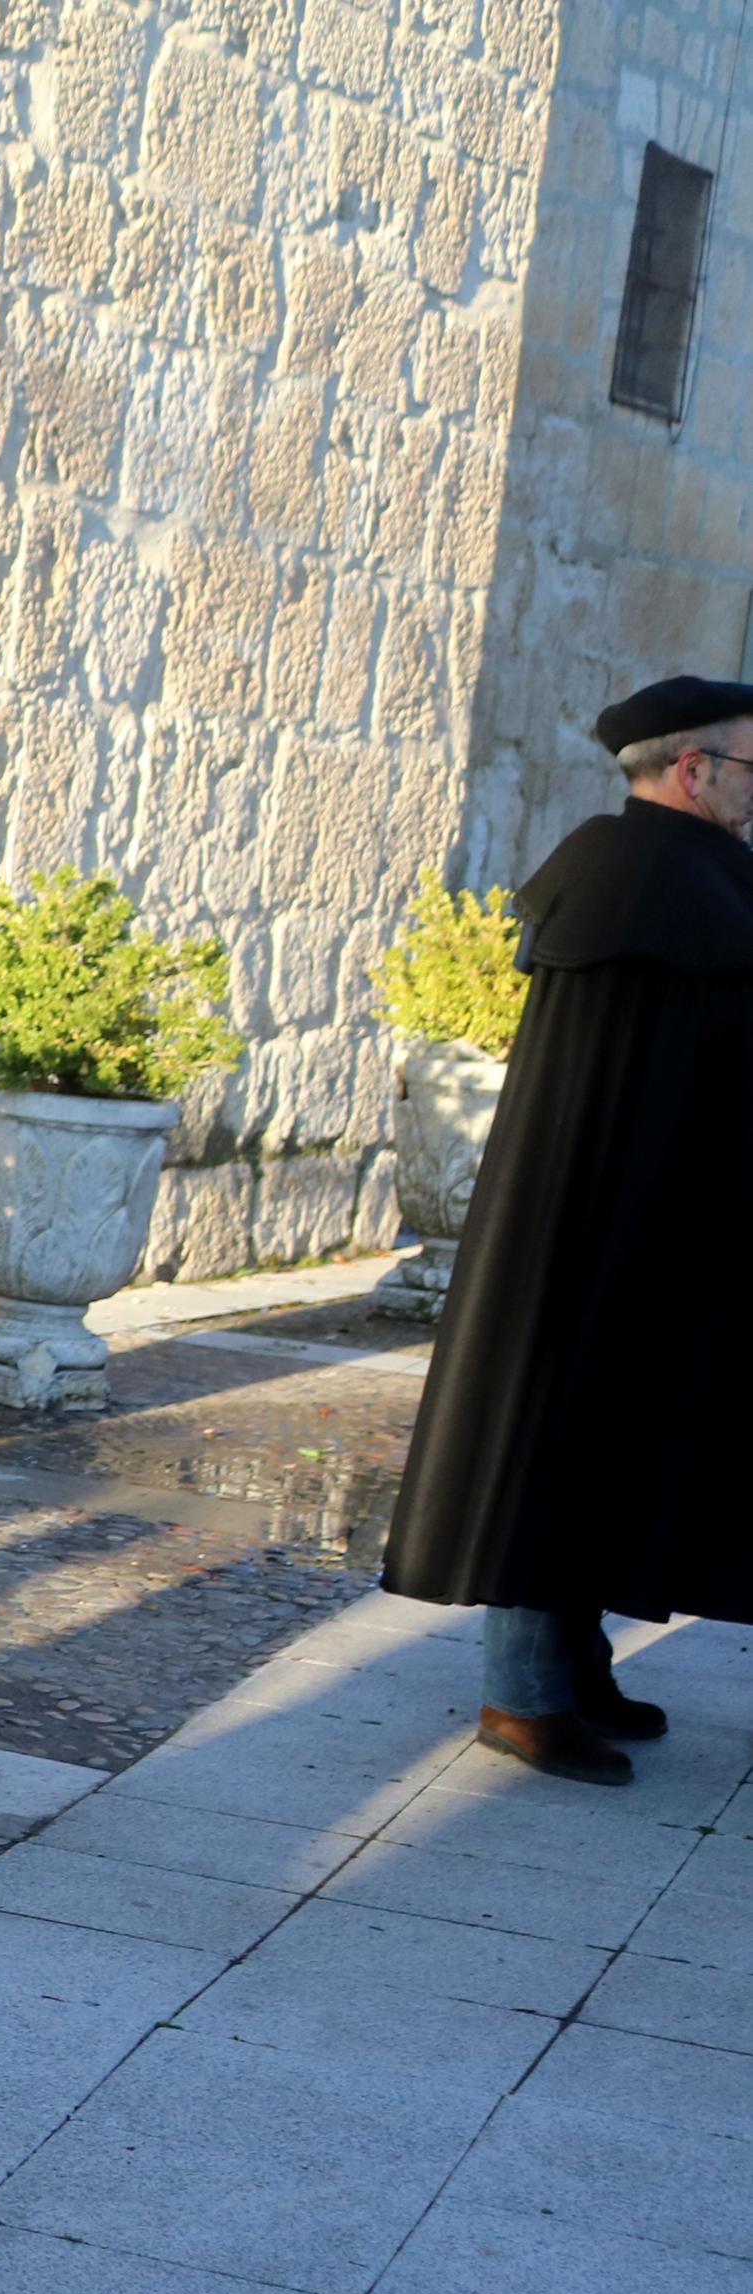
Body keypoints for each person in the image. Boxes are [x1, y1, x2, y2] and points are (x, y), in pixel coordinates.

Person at [383, 672, 753, 1784]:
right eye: (749, 766)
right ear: (692, 769)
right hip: (600, 1225)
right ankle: (521, 1698)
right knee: (561, 1441)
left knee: (615, 1439)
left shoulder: (654, 874)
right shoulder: (641, 879)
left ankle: (573, 1666)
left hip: (639, 1216)